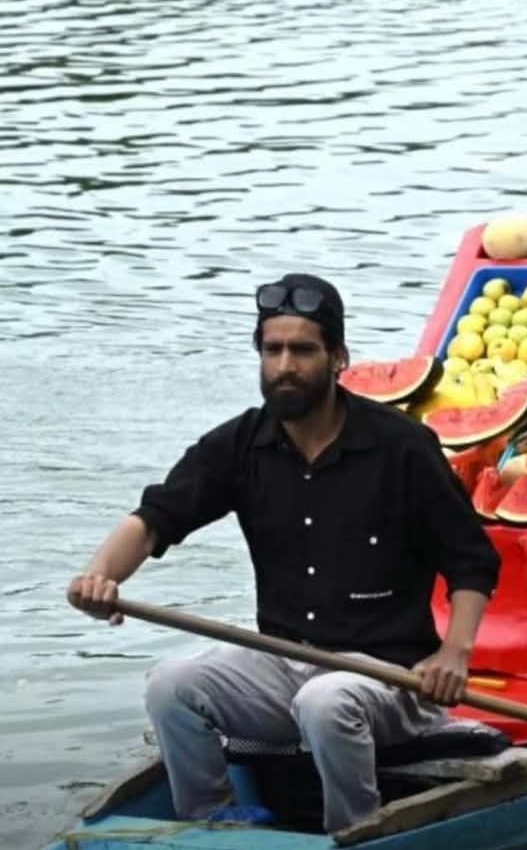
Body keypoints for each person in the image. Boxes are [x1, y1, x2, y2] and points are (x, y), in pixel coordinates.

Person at [66, 273, 501, 836]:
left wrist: (454, 655)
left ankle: (357, 832)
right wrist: (100, 577)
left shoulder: (400, 447)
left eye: (302, 350)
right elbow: (153, 521)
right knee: (170, 684)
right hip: (281, 662)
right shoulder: (241, 444)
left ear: (337, 358)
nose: (285, 366)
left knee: (326, 700)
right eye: (272, 351)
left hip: (388, 678)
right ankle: (216, 825)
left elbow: (472, 560)